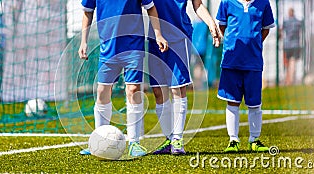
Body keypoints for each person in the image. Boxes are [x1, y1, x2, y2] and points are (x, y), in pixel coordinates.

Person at [78, 0, 168, 157]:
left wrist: (158, 34)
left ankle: (134, 142)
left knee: (133, 90)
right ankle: (98, 141)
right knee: (102, 91)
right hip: (108, 49)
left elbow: (151, 9)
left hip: (134, 47)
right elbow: (87, 12)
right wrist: (83, 41)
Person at [148, 0, 220, 155]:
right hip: (154, 36)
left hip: (179, 37)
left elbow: (198, 4)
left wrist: (211, 23)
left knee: (177, 88)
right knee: (158, 91)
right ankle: (169, 139)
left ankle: (177, 140)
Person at [216, 0, 275, 152]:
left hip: (253, 63)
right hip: (231, 62)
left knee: (255, 103)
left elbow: (266, 29)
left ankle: (254, 139)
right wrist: (233, 43)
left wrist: (253, 45)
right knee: (232, 101)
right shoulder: (226, 2)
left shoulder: (263, 3)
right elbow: (222, 26)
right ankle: (233, 140)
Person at [282, 8, 302, 86]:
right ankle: (290, 79)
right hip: (296, 45)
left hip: (287, 45)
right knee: (293, 62)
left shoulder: (286, 22)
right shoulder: (298, 22)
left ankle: (289, 80)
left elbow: (281, 31)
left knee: (287, 63)